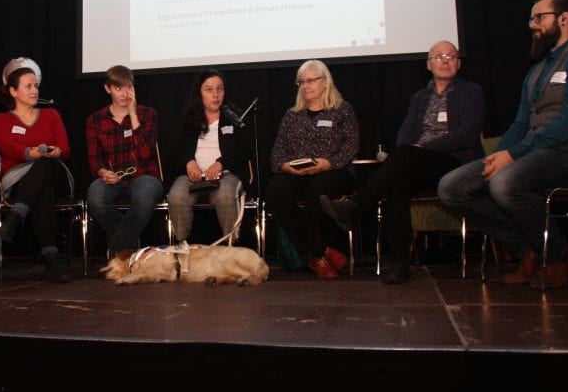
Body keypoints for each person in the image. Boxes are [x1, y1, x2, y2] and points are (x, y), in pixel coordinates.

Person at [438, 0, 568, 289]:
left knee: (504, 183)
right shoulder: (536, 70)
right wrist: (500, 154)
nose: (533, 25)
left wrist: (513, 155)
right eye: (531, 19)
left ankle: (557, 255)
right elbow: (520, 123)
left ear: (564, 18)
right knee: (452, 187)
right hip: (533, 155)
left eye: (539, 17)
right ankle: (527, 250)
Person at [321, 41, 485, 284]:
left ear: (459, 63)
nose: (445, 60)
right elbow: (405, 134)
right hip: (420, 163)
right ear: (429, 64)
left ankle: (358, 204)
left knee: (404, 157)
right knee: (398, 183)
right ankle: (400, 264)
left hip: (457, 162)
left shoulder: (471, 92)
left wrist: (421, 148)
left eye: (451, 56)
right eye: (439, 57)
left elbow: (468, 133)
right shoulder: (419, 98)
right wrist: (412, 150)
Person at [265, 60, 359, 279]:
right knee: (274, 192)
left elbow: (351, 145)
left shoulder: (342, 110)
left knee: (315, 190)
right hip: (300, 171)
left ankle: (315, 255)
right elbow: (278, 150)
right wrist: (285, 166)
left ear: (325, 82)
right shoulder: (292, 114)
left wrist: (329, 163)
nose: (305, 86)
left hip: (335, 171)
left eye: (311, 80)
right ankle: (320, 252)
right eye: (301, 82)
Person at [0, 57, 73, 283]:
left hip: (55, 172)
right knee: (42, 190)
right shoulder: (0, 119)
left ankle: (15, 217)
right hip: (18, 177)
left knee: (45, 165)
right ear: (13, 91)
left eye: (36, 85)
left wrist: (55, 152)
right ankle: (52, 262)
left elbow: (65, 148)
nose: (34, 90)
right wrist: (30, 153)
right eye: (28, 86)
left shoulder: (51, 115)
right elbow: (6, 147)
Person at [165, 69, 253, 244]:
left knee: (226, 195)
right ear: (199, 93)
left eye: (219, 89)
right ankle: (183, 247)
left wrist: (221, 164)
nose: (215, 95)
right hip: (192, 175)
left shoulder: (234, 118)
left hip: (226, 173)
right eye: (209, 90)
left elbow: (246, 149)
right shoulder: (188, 120)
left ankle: (231, 247)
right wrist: (188, 162)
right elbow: (172, 151)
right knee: (176, 197)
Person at [85, 65, 164, 256]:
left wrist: (133, 115)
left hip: (144, 175)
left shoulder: (147, 114)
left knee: (145, 196)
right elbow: (95, 161)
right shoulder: (95, 120)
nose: (124, 93)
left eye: (128, 87)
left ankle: (119, 247)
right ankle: (128, 246)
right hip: (114, 177)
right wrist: (104, 173)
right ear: (108, 89)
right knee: (95, 195)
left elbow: (146, 153)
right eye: (118, 88)